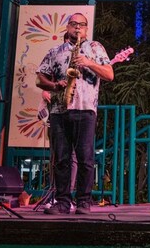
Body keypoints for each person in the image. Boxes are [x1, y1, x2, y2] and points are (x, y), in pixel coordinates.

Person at [36, 12, 114, 216]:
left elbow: (109, 74)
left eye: (82, 25)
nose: (77, 28)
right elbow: (39, 78)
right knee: (61, 159)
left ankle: (83, 202)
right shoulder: (56, 51)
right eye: (73, 24)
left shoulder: (95, 48)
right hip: (59, 110)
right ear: (67, 27)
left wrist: (88, 63)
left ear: (87, 29)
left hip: (85, 109)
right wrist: (55, 84)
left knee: (85, 158)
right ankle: (62, 202)